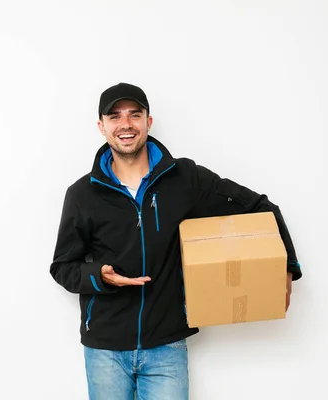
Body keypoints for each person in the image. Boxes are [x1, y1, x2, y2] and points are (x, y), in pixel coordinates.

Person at [50, 82, 302, 400]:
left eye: (134, 115)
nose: (125, 124)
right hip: (105, 350)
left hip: (166, 347)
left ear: (148, 122)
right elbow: (62, 267)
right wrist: (98, 275)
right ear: (102, 126)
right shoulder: (82, 194)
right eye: (114, 117)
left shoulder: (184, 179)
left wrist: (288, 266)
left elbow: (260, 207)